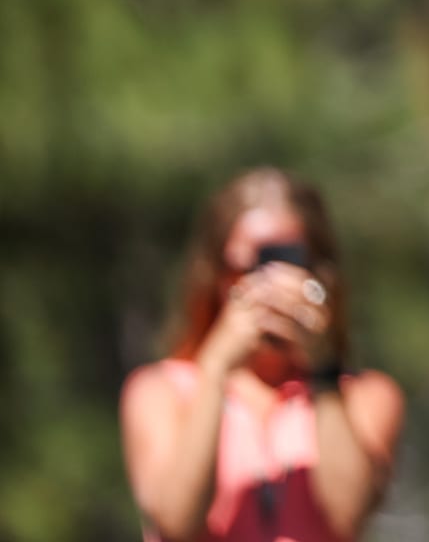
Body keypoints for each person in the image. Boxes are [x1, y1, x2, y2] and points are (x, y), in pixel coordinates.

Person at [120, 168, 405, 542]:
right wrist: (216, 369)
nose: (270, 285)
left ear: (321, 274)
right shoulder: (160, 392)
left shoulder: (363, 395)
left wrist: (322, 372)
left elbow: (349, 516)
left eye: (286, 262)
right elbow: (177, 523)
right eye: (248, 267)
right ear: (216, 274)